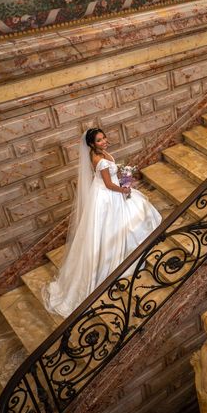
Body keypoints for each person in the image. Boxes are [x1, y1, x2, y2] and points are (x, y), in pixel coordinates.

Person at [44, 128, 162, 317]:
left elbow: (111, 178)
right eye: (99, 140)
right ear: (92, 144)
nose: (104, 141)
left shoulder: (99, 154)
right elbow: (108, 184)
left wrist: (125, 177)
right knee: (111, 228)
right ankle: (108, 262)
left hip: (107, 192)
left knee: (132, 213)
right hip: (107, 196)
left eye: (104, 137)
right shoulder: (99, 161)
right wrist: (125, 189)